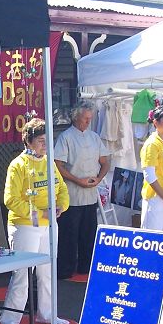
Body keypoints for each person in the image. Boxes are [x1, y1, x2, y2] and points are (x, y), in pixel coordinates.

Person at [0, 118, 69, 324]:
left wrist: (61, 206)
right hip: (25, 226)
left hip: (49, 225)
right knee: (22, 274)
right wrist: (39, 214)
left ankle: (46, 313)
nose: (44, 145)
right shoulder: (18, 165)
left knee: (47, 271)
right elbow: (10, 200)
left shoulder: (49, 162)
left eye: (47, 141)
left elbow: (62, 189)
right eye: (40, 141)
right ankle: (9, 320)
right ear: (28, 142)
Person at [54, 101, 110, 279]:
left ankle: (86, 266)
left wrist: (99, 178)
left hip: (90, 193)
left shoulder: (94, 137)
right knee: (68, 234)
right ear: (76, 117)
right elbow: (58, 165)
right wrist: (78, 180)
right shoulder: (65, 137)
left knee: (89, 233)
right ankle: (65, 269)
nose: (88, 122)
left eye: (90, 119)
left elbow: (105, 161)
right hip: (71, 193)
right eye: (85, 119)